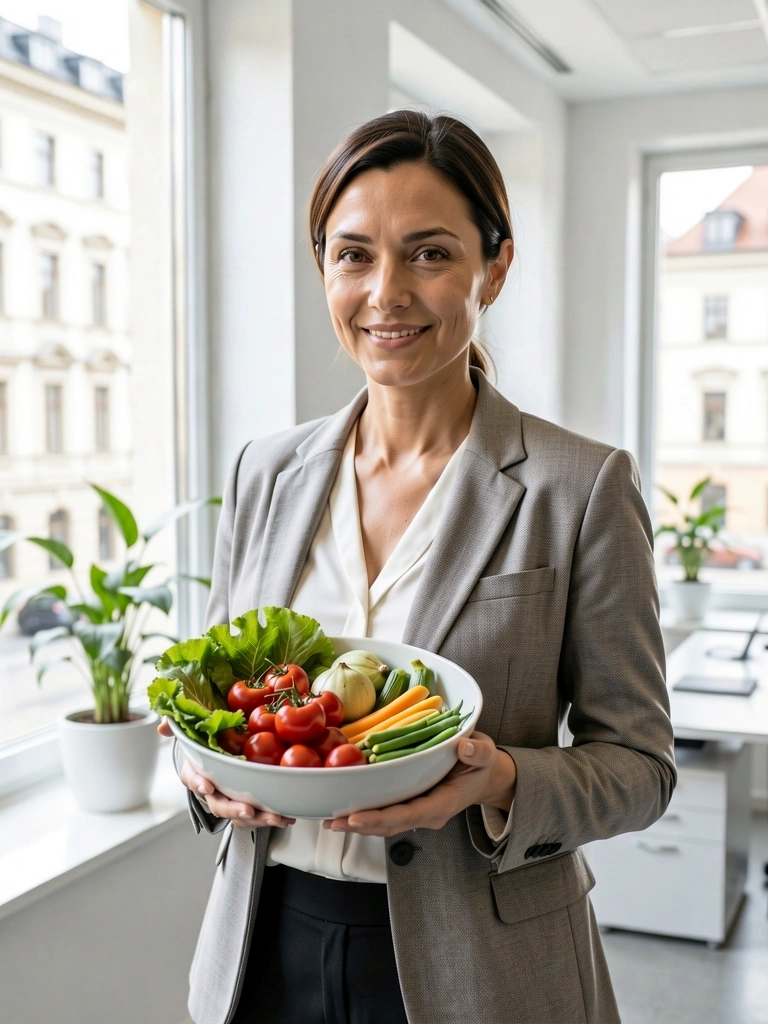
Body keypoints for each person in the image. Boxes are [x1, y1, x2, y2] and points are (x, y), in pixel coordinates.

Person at [160, 109, 676, 1024]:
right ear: (324, 268)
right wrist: (201, 770)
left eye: (429, 253)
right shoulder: (263, 473)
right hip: (264, 944)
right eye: (354, 255)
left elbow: (640, 766)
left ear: (495, 267)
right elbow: (215, 702)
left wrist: (502, 780)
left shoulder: (580, 487)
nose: (386, 292)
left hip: (482, 966)